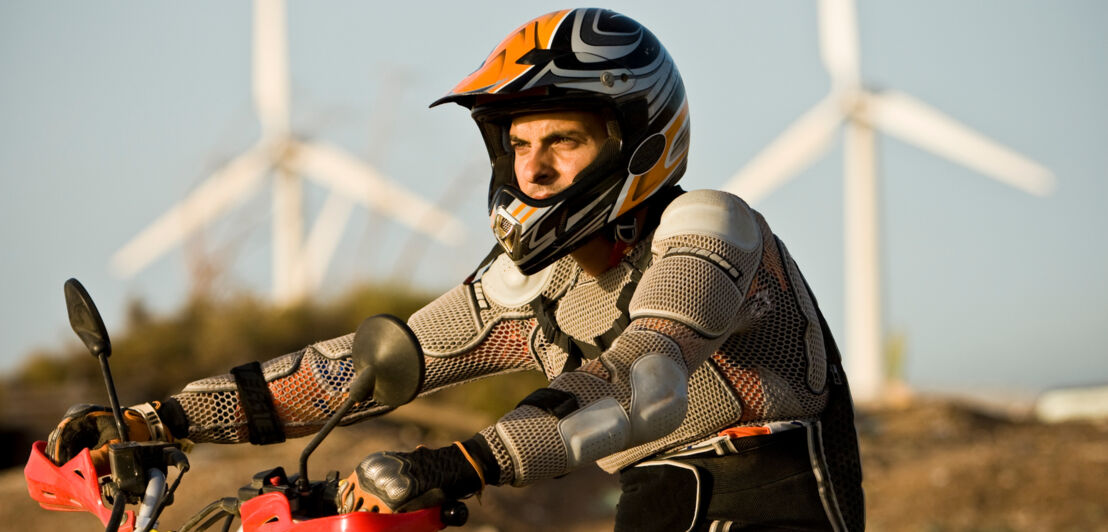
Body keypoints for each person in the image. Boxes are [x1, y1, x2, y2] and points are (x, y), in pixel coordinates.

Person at [47, 8, 864, 531]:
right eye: (520, 146)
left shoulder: (708, 226)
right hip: (654, 509)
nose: (534, 171)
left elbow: (646, 380)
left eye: (564, 143)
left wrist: (458, 464)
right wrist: (157, 420)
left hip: (774, 506)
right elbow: (348, 375)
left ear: (636, 143)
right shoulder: (527, 287)